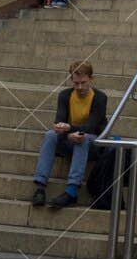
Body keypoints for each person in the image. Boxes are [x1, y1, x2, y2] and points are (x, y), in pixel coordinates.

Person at [31, 61, 107, 210]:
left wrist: (70, 129)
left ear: (91, 79)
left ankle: (72, 191)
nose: (79, 87)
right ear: (71, 80)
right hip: (69, 139)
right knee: (50, 135)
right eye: (76, 83)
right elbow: (59, 120)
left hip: (92, 143)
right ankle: (40, 187)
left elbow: (91, 127)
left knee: (82, 137)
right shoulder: (65, 95)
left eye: (83, 83)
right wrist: (62, 130)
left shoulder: (100, 97)